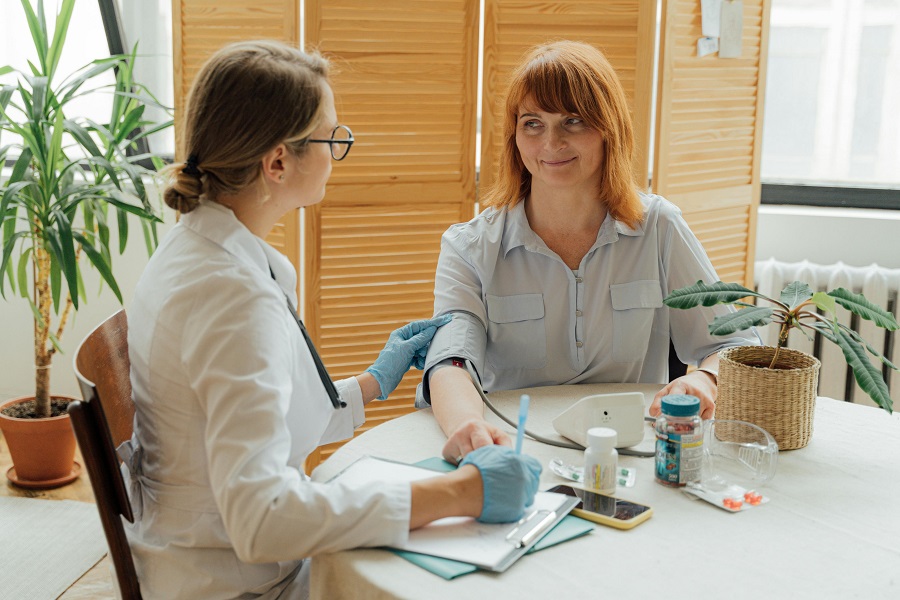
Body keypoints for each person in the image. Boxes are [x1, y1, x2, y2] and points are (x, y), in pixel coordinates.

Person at [121, 40, 541, 600]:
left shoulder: (195, 250)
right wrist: (460, 495)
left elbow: (243, 424)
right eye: (332, 138)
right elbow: (262, 519)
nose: (339, 149)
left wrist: (369, 385)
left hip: (197, 555)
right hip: (238, 585)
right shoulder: (232, 298)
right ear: (277, 162)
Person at [419, 41, 760, 462]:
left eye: (574, 121)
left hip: (632, 454)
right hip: (513, 450)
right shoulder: (469, 247)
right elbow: (450, 363)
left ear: (609, 128)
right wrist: (467, 427)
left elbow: (735, 344)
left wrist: (705, 381)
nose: (551, 142)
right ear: (515, 136)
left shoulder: (660, 227)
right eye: (532, 123)